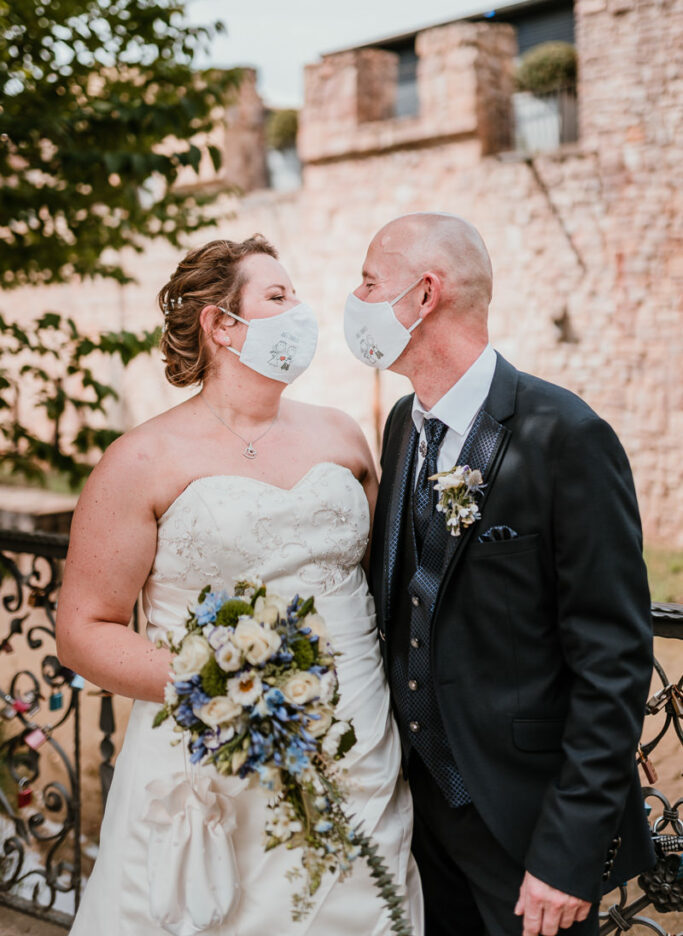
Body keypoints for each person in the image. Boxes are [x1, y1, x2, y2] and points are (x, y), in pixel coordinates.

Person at [56, 234, 423, 936]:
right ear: (220, 325)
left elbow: (383, 581)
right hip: (209, 750)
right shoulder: (141, 459)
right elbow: (83, 630)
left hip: (355, 742)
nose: (302, 312)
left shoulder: (343, 436)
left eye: (297, 295)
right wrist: (215, 687)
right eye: (278, 297)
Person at [344, 213, 654, 936]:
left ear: (425, 296)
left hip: (524, 825)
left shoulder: (566, 435)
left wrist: (568, 851)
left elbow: (612, 660)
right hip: (418, 820)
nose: (355, 300)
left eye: (368, 282)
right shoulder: (401, 424)